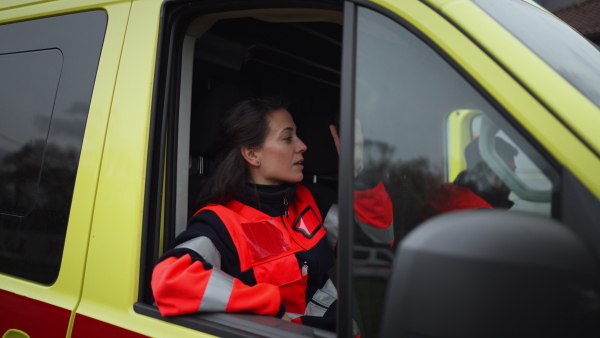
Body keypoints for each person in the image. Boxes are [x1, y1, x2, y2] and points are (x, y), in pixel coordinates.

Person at [151, 97, 393, 333]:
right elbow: (170, 279)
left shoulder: (307, 201)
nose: (302, 145)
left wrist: (364, 174)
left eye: (297, 135)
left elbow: (376, 241)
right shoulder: (222, 222)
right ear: (252, 155)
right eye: (288, 138)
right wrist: (264, 305)